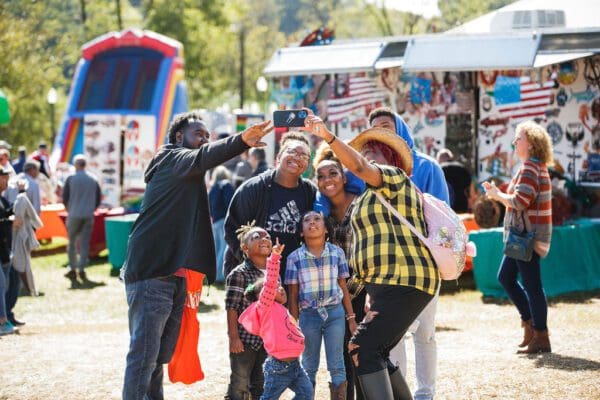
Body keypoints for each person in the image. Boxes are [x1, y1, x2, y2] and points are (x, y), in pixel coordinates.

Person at [121, 111, 272, 400]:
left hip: (173, 274)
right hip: (154, 274)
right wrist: (241, 140)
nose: (204, 140)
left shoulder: (186, 172)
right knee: (144, 357)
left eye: (207, 136)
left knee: (156, 358)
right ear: (180, 138)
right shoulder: (172, 158)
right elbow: (203, 157)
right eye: (198, 134)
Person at [303, 113, 440, 400]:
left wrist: (327, 135)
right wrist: (347, 294)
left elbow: (359, 166)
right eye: (363, 152)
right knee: (377, 353)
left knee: (362, 348)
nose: (364, 156)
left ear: (388, 156)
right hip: (384, 286)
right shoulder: (366, 198)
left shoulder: (395, 178)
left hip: (406, 280)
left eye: (372, 151)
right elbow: (364, 251)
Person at [368, 107, 449, 400]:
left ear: (400, 128)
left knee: (425, 333)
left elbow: (443, 217)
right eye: (376, 128)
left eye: (387, 125)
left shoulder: (427, 168)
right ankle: (399, 392)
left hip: (423, 264)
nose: (383, 132)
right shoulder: (367, 169)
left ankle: (425, 393)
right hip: (387, 266)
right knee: (393, 334)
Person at [483, 120, 553, 354]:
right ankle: (531, 325)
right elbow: (519, 197)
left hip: (526, 236)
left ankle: (540, 335)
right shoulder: (532, 166)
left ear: (531, 143)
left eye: (518, 138)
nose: (514, 142)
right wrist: (499, 193)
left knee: (532, 286)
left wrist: (497, 195)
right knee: (506, 277)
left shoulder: (531, 168)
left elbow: (520, 201)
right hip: (523, 236)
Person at [224, 132, 317, 282]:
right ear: (278, 157)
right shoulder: (254, 188)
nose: (297, 157)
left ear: (307, 164)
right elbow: (233, 230)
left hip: (291, 278)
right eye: (292, 152)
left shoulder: (310, 192)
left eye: (304, 156)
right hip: (252, 277)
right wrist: (254, 267)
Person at [286, 210, 356, 399]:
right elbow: (293, 296)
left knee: (337, 363)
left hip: (335, 314)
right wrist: (293, 324)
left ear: (326, 229)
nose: (312, 223)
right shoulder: (294, 258)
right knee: (309, 365)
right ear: (301, 232)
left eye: (317, 219)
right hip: (309, 316)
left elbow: (343, 286)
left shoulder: (336, 253)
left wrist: (351, 318)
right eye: (306, 221)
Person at [313, 145, 365, 400]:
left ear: (344, 177)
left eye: (333, 173)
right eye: (321, 177)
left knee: (365, 351)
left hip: (367, 288)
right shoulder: (321, 216)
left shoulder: (362, 204)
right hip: (336, 294)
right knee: (340, 353)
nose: (327, 180)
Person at [239, 234, 313, 400]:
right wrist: (275, 257)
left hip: (295, 365)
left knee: (306, 393)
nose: (280, 288)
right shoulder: (264, 307)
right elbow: (270, 282)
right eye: (275, 288)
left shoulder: (279, 308)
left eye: (280, 286)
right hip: (279, 367)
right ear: (264, 295)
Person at [224, 225, 271, 400]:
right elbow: (232, 307)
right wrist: (234, 338)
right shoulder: (239, 274)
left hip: (267, 340)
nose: (264, 239)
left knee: (261, 382)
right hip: (245, 339)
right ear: (245, 248)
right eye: (256, 237)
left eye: (267, 236)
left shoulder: (274, 272)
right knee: (240, 383)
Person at [62, 154, 101, 282]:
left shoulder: (71, 178)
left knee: (72, 242)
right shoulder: (93, 179)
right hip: (88, 214)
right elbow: (98, 198)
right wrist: (91, 209)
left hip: (74, 214)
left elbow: (65, 197)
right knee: (84, 243)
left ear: (76, 165)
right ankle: (82, 268)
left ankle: (72, 268)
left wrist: (69, 209)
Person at [11, 179, 43, 296]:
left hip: (20, 229)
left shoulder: (28, 187)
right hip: (14, 232)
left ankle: (27, 288)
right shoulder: (26, 189)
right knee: (21, 264)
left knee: (23, 263)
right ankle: (27, 288)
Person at [208, 166, 235, 283]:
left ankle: (212, 275)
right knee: (223, 249)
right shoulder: (226, 185)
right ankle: (219, 276)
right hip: (224, 220)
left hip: (215, 221)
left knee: (217, 249)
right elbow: (230, 203)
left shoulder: (212, 188)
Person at [0, 167, 18, 335]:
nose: (6, 182)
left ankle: (6, 317)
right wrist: (9, 222)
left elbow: (6, 212)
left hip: (4, 250)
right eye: (3, 178)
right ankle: (3, 321)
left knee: (7, 283)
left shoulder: (2, 199)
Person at [437, 148, 472, 213]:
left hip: (446, 207)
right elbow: (470, 190)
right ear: (450, 157)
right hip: (462, 205)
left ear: (440, 159)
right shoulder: (462, 168)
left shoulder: (439, 169)